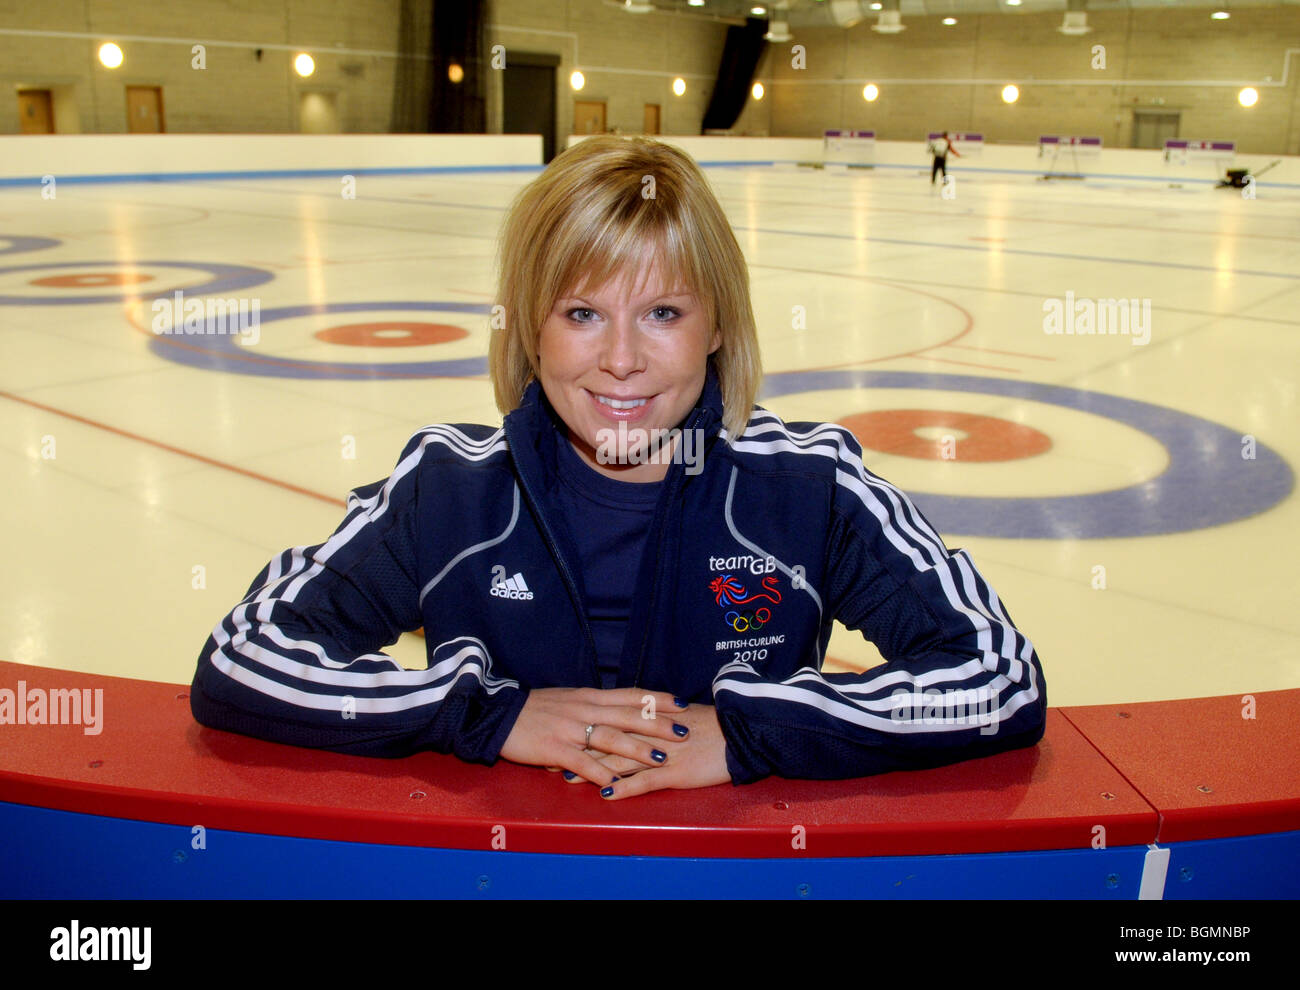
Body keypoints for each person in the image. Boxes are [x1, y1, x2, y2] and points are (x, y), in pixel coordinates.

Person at [189, 135, 1046, 800]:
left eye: (664, 310)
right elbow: (244, 658)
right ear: (530, 327)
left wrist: (753, 731)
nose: (623, 360)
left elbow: (997, 678)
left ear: (718, 325)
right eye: (583, 312)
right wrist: (489, 714)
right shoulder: (448, 488)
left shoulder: (811, 488)